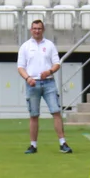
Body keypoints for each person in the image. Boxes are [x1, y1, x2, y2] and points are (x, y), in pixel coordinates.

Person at [16, 19, 72, 155]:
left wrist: (49, 71)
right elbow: (20, 67)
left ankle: (62, 143)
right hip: (32, 84)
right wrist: (28, 78)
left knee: (56, 112)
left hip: (48, 82)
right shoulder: (25, 46)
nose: (37, 31)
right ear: (31, 30)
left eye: (39, 28)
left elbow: (57, 63)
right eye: (34, 28)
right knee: (34, 115)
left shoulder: (50, 45)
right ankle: (33, 145)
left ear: (43, 30)